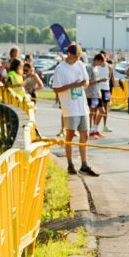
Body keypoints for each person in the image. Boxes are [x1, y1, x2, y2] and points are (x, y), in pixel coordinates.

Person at [48, 41, 97, 176]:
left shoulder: (80, 65)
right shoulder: (60, 68)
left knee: (85, 135)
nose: (77, 58)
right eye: (75, 56)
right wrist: (72, 85)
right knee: (69, 135)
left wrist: (83, 84)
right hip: (70, 107)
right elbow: (56, 88)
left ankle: (84, 164)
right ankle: (70, 163)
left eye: (79, 56)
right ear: (68, 54)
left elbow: (86, 82)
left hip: (82, 106)